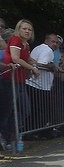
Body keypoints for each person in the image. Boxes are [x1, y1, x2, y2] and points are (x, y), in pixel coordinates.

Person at [0, 19, 40, 151]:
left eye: (29, 29)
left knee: (24, 108)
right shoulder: (16, 40)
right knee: (6, 110)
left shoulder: (25, 44)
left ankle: (11, 135)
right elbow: (16, 58)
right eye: (24, 29)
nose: (27, 31)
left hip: (19, 80)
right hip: (9, 79)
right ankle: (6, 138)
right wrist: (32, 68)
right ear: (19, 29)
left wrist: (33, 64)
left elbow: (27, 58)